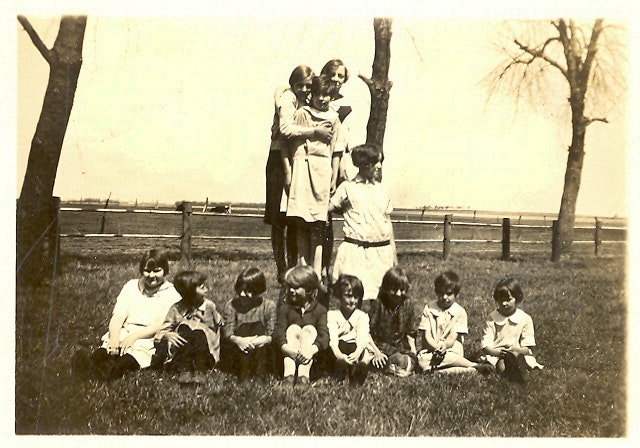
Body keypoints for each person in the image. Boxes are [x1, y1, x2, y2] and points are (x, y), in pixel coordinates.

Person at [264, 65, 333, 284]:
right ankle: (281, 267)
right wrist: (315, 131)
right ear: (293, 84)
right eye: (299, 85)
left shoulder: (308, 103)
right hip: (280, 158)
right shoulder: (288, 99)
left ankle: (297, 266)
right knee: (279, 216)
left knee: (298, 218)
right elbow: (285, 130)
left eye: (307, 85)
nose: (304, 89)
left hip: (302, 162)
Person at [72, 249, 181, 381]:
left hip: (148, 339)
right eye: (147, 270)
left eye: (157, 270)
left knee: (126, 360)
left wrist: (133, 337)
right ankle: (89, 365)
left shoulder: (173, 293)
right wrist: (114, 337)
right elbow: (118, 316)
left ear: (165, 270)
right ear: (142, 270)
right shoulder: (131, 286)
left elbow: (159, 325)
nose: (151, 275)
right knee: (104, 352)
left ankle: (98, 373)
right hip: (125, 332)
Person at [284, 74, 345, 280]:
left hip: (322, 170)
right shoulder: (303, 113)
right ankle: (302, 268)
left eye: (326, 95)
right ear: (312, 95)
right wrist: (290, 171)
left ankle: (317, 272)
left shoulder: (334, 119)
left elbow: (337, 148)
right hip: (303, 167)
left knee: (318, 224)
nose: (322, 99)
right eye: (318, 94)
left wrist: (333, 177)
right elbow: (290, 137)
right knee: (301, 222)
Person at [328, 144, 397, 312]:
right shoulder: (347, 187)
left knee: (381, 298)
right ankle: (351, 334)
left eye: (380, 162)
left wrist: (393, 254)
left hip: (381, 252)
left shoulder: (382, 190)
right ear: (363, 163)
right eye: (375, 162)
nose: (379, 166)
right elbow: (326, 208)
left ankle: (376, 333)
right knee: (352, 295)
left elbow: (387, 222)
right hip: (355, 251)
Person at [153, 271, 224, 384]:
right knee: (184, 328)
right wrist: (167, 335)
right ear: (189, 292)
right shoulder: (176, 309)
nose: (205, 288)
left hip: (205, 353)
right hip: (182, 353)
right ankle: (184, 369)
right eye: (201, 286)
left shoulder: (209, 307)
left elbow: (221, 326)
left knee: (198, 332)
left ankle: (200, 370)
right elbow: (160, 333)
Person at [416, 271, 493, 374]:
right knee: (422, 360)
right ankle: (470, 369)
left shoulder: (459, 312)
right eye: (441, 293)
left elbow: (453, 336)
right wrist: (436, 347)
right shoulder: (429, 309)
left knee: (450, 356)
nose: (444, 297)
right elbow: (427, 335)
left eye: (448, 294)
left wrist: (445, 346)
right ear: (436, 291)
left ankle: (472, 365)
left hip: (451, 349)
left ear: (456, 294)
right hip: (431, 350)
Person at [320, 59, 354, 278]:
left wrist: (341, 167)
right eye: (332, 74)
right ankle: (317, 266)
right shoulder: (316, 99)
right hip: (317, 160)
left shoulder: (345, 105)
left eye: (340, 76)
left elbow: (345, 138)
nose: (336, 79)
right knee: (318, 218)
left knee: (333, 212)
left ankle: (335, 267)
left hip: (338, 160)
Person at [272, 266, 329, 388]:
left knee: (309, 329)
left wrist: (310, 351)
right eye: (290, 287)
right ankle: (289, 375)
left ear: (308, 289)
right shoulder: (285, 308)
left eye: (296, 287)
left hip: (311, 357)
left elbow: (324, 336)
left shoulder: (319, 310)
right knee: (293, 329)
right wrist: (287, 349)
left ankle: (303, 375)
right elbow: (278, 332)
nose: (292, 291)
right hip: (289, 353)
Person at [481, 277, 544, 383]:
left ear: (517, 298)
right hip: (497, 353)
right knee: (501, 364)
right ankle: (512, 376)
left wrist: (515, 350)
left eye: (508, 299)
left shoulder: (525, 318)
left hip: (518, 352)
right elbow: (485, 346)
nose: (504, 303)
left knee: (518, 359)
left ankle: (518, 370)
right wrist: (498, 353)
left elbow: (527, 347)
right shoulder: (492, 318)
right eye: (501, 300)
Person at [220, 267, 277, 382]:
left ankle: (260, 374)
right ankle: (243, 373)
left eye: (247, 291)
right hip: (239, 346)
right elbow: (228, 331)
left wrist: (261, 340)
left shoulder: (268, 306)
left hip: (261, 345)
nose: (242, 294)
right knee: (244, 328)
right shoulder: (231, 305)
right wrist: (239, 340)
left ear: (258, 290)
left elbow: (272, 332)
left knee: (258, 327)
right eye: (240, 290)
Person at [367, 267, 417, 377]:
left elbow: (410, 332)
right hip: (380, 346)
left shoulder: (407, 303)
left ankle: (400, 366)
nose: (398, 294)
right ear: (386, 287)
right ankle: (397, 367)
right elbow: (367, 332)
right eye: (394, 289)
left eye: (402, 290)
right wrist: (377, 352)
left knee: (408, 359)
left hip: (399, 346)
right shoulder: (379, 303)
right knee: (396, 359)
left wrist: (414, 353)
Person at [324, 274, 373, 385]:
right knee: (335, 349)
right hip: (338, 350)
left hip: (355, 350)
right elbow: (333, 338)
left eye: (356, 297)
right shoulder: (332, 315)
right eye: (348, 296)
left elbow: (362, 337)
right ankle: (342, 369)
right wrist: (340, 356)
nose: (352, 301)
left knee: (364, 352)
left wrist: (357, 352)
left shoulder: (362, 316)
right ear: (339, 296)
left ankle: (358, 372)